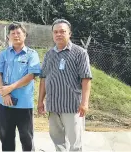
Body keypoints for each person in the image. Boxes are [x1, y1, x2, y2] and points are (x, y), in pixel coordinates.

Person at [38, 19, 92, 152]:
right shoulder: (49, 54)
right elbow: (44, 78)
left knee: (75, 144)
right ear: (52, 34)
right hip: (53, 105)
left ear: (70, 33)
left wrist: (84, 103)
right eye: (55, 32)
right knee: (58, 141)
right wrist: (40, 101)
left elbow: (86, 78)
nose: (58, 34)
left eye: (62, 31)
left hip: (72, 106)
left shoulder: (80, 53)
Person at [0, 22, 41, 151]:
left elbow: (31, 75)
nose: (16, 35)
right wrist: (5, 93)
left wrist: (11, 87)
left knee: (26, 138)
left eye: (18, 33)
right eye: (12, 33)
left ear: (25, 35)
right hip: (5, 103)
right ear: (8, 36)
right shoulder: (4, 54)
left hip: (23, 104)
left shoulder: (32, 54)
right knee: (6, 138)